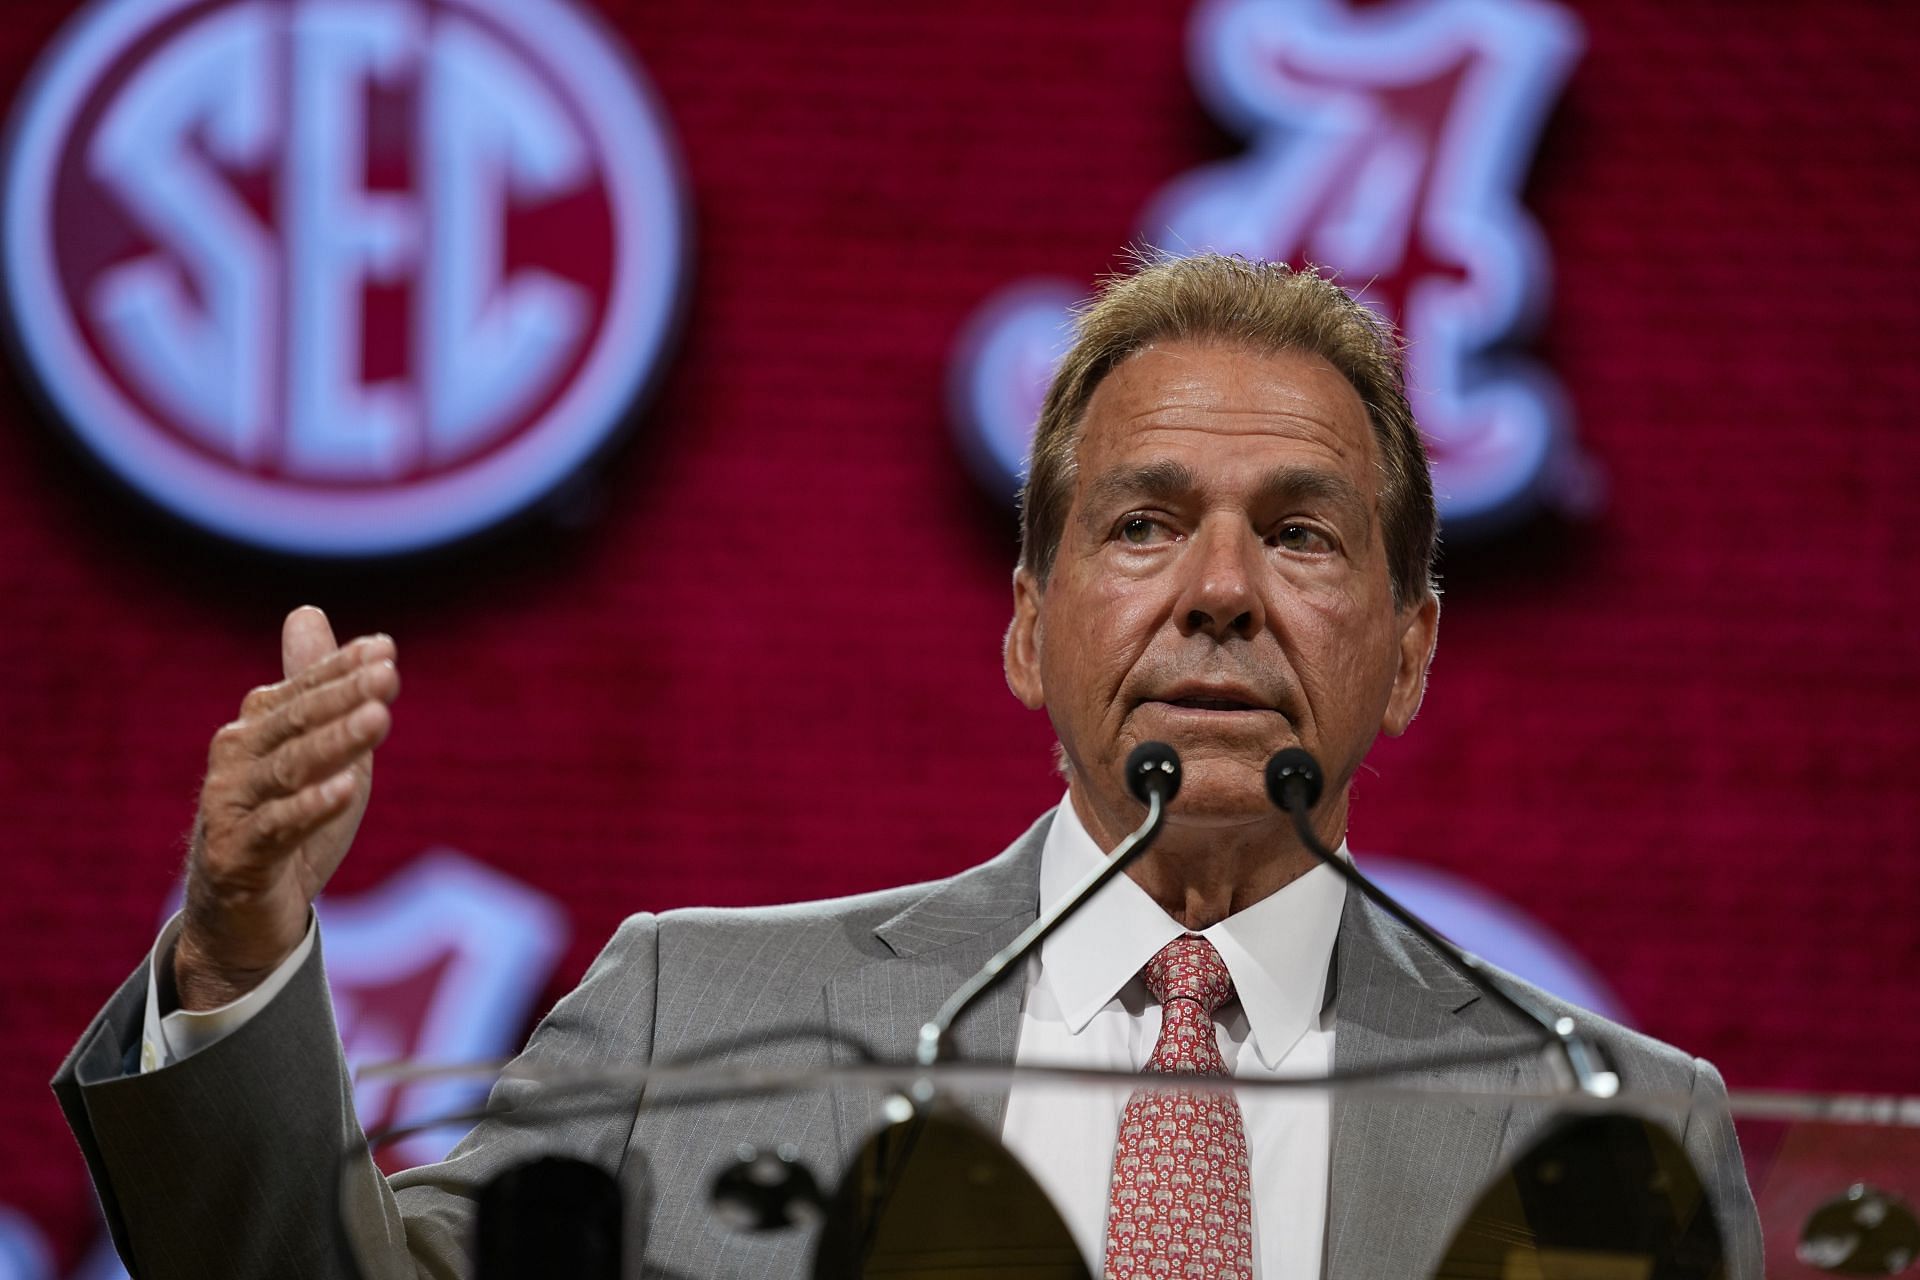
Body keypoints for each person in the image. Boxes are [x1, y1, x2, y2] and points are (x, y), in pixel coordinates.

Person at [54, 253, 1762, 1279]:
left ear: (1410, 650)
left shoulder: (1610, 1123)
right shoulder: (696, 1024)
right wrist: (232, 955)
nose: (1222, 595)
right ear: (1030, 628)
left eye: (1302, 536)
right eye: (1146, 524)